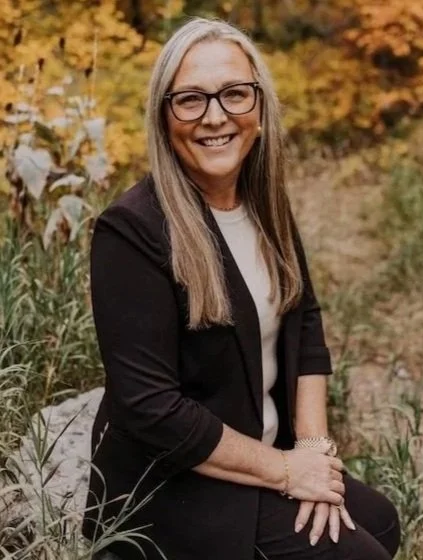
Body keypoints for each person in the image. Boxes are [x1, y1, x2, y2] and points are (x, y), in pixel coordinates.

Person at [82, 17, 401, 560]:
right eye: (191, 99)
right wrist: (286, 471)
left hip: (258, 456)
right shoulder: (131, 230)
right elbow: (151, 408)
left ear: (260, 106)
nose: (215, 116)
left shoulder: (262, 203)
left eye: (234, 94)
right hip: (171, 484)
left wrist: (313, 453)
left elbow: (305, 321)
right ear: (164, 116)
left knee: (381, 522)